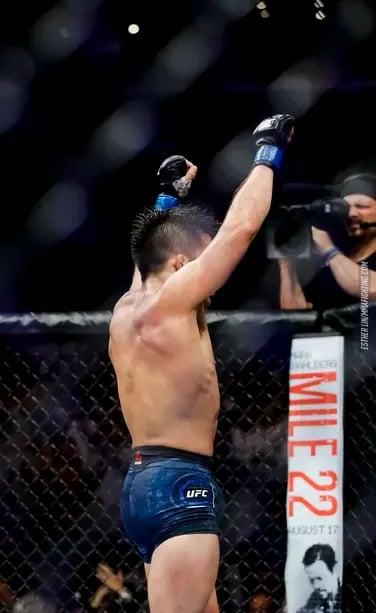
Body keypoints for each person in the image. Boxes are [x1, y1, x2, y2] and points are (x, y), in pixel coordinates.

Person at [109, 114, 294, 613]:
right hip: (179, 485)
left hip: (144, 483)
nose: (204, 267)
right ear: (178, 266)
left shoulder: (126, 309)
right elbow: (242, 228)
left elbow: (146, 253)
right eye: (196, 258)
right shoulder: (172, 301)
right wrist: (267, 152)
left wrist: (168, 199)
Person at [279, 174, 376, 309]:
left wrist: (329, 250)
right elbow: (295, 313)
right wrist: (286, 261)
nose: (351, 214)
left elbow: (370, 289)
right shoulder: (329, 262)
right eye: (346, 208)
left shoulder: (331, 254)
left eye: (362, 207)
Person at [297, 544, 341, 613]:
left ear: (334, 570)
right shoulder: (312, 601)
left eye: (319, 578)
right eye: (311, 580)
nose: (315, 585)